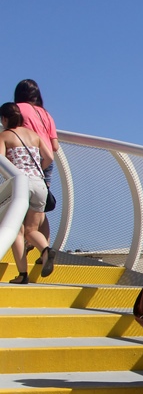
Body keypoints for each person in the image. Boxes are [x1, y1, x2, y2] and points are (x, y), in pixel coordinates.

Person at [0, 102, 55, 282]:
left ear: (5, 118)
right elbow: (48, 157)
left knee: (17, 230)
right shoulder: (34, 135)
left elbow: (1, 162)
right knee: (32, 229)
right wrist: (36, 171)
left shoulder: (5, 136)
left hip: (20, 186)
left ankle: (23, 274)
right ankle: (46, 250)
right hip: (39, 184)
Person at [14, 79, 58, 260]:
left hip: (26, 159)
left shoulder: (18, 109)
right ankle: (44, 249)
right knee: (40, 207)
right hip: (46, 162)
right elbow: (54, 145)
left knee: (17, 202)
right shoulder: (46, 114)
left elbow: (14, 135)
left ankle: (24, 240)